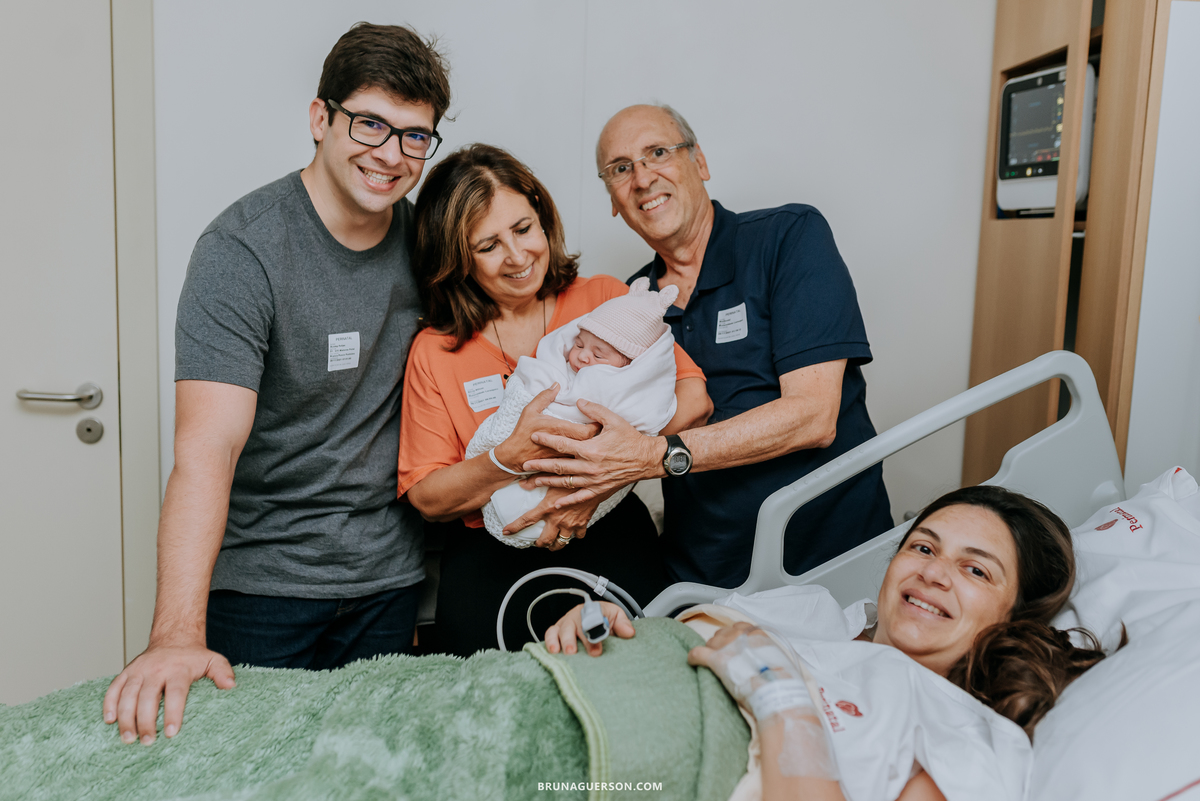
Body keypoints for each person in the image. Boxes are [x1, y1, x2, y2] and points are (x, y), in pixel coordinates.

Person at [103, 23, 451, 745]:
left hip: (388, 581)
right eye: (370, 124)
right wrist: (175, 634)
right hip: (263, 584)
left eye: (415, 136)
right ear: (321, 118)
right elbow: (207, 449)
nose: (391, 155)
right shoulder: (242, 250)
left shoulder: (427, 244)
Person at [522, 104, 893, 589]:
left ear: (700, 162)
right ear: (613, 198)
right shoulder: (629, 306)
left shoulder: (787, 237)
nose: (642, 178)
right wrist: (584, 486)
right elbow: (614, 430)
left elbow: (814, 416)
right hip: (702, 580)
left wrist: (658, 455)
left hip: (832, 560)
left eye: (658, 153)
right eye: (620, 169)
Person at [546, 485, 1110, 801]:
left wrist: (781, 699)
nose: (934, 574)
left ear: (1016, 618)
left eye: (976, 571)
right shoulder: (812, 611)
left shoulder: (962, 734)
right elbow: (670, 644)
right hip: (575, 707)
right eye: (923, 548)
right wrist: (606, 628)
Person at [398, 143, 713, 657]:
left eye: (523, 230)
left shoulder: (607, 301)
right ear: (455, 258)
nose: (518, 257)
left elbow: (692, 398)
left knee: (632, 690)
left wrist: (597, 473)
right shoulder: (437, 350)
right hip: (491, 550)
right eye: (488, 245)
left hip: (607, 527)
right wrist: (505, 459)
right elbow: (429, 499)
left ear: (543, 221)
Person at [465, 277, 682, 547]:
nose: (581, 357)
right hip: (511, 474)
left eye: (599, 355)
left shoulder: (629, 387)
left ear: (629, 364)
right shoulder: (560, 367)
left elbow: (643, 423)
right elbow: (534, 380)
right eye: (579, 344)